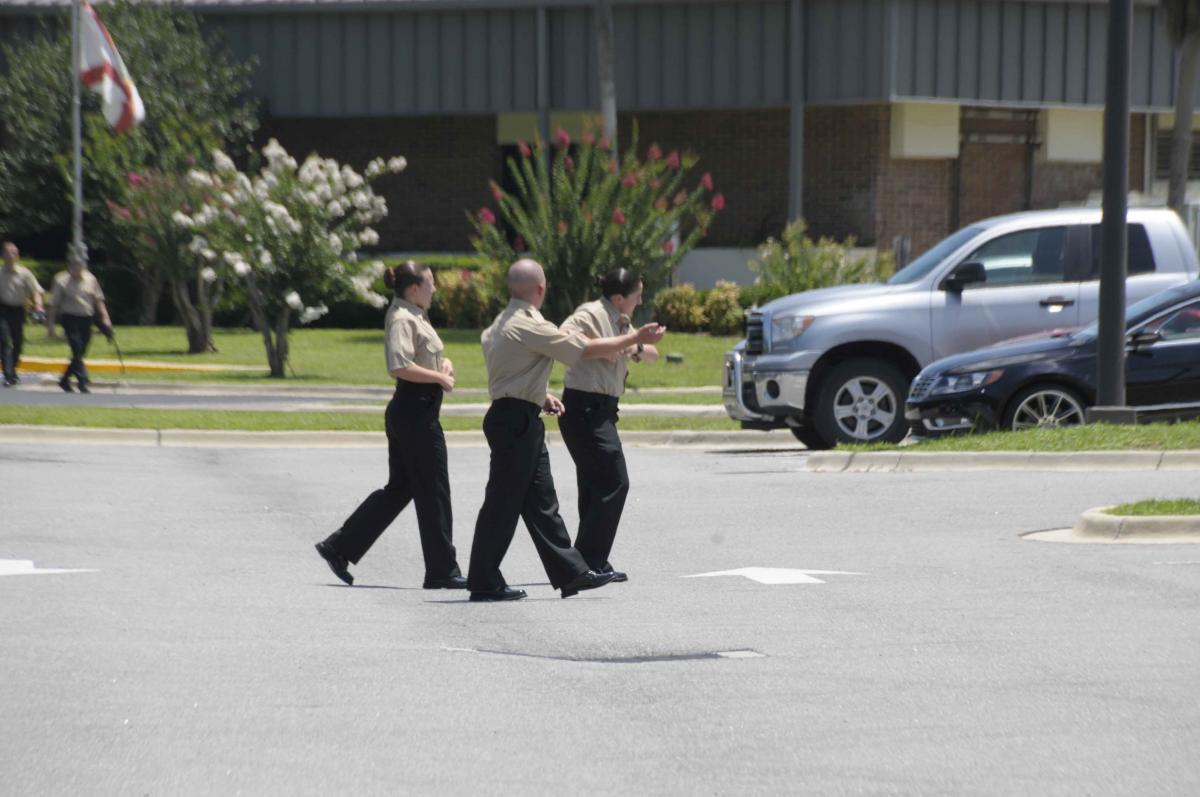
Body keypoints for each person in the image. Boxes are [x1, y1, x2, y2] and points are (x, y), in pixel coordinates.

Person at [466, 258, 666, 602]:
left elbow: (510, 368)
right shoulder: (529, 324)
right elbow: (581, 348)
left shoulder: (501, 324)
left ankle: (572, 573)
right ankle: (483, 580)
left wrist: (538, 395)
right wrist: (635, 337)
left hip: (520, 416)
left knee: (543, 503)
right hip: (515, 420)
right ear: (540, 288)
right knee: (503, 503)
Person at [314, 261, 467, 590]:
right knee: (434, 491)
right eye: (430, 282)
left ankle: (339, 547)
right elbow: (398, 365)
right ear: (413, 289)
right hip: (414, 413)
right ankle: (443, 570)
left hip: (414, 412)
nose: (435, 288)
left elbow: (420, 357)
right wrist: (439, 377)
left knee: (401, 488)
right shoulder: (401, 318)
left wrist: (443, 365)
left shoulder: (416, 313)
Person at [557, 268, 660, 582]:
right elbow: (566, 341)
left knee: (594, 485)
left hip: (602, 410)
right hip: (583, 407)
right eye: (637, 295)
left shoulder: (621, 321)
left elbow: (653, 355)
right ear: (618, 298)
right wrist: (623, 342)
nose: (640, 301)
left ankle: (587, 562)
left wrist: (634, 345)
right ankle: (588, 560)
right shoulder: (590, 314)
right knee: (615, 481)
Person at [47, 247, 112, 394]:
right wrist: (50, 326)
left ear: (84, 265)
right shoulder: (61, 280)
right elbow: (53, 305)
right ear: (69, 265)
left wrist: (105, 317)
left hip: (86, 318)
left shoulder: (91, 279)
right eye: (73, 265)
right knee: (76, 348)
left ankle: (64, 380)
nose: (76, 268)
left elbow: (98, 300)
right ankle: (83, 381)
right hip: (69, 318)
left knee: (81, 352)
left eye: (79, 265)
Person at [0, 242, 45, 386]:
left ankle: (12, 370)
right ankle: (8, 375)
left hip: (18, 310)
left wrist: (38, 306)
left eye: (14, 253)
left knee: (18, 343)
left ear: (18, 256)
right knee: (5, 342)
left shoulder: (25, 274)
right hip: (2, 310)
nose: (11, 256)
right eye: (8, 253)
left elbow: (35, 291)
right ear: (3, 255)